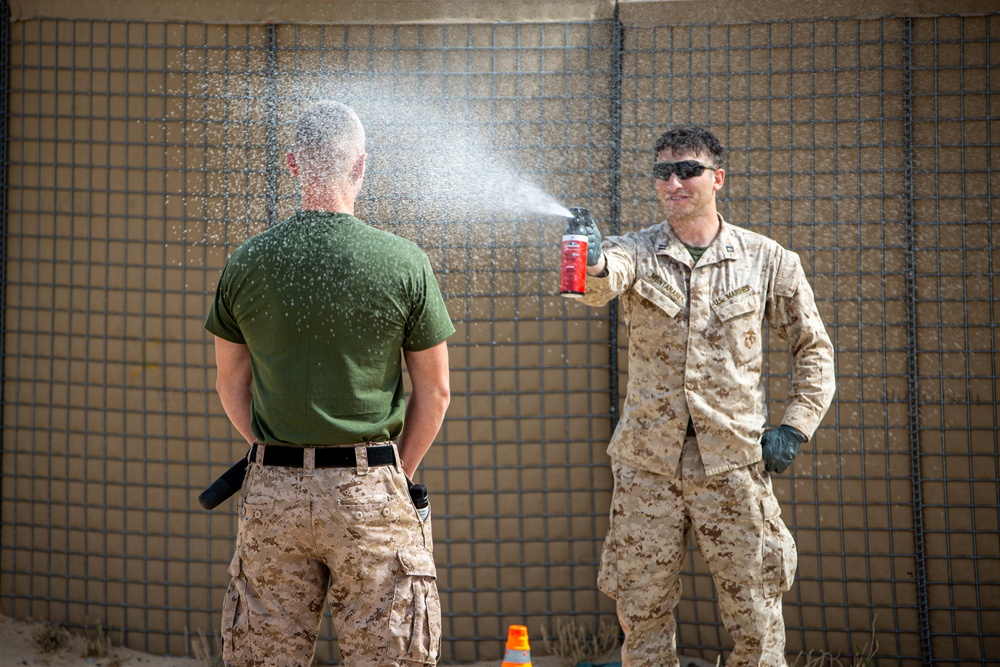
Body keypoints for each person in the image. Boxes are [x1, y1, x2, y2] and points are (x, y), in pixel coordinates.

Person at [204, 100, 454, 667]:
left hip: (272, 491)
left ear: (293, 164)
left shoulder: (247, 262)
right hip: (371, 490)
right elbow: (434, 393)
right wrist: (394, 472)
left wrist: (270, 451)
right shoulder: (404, 262)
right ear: (360, 166)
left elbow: (229, 384)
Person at [577, 126, 835, 666]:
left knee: (756, 613)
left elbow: (814, 350)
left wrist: (795, 426)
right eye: (662, 173)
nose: (673, 182)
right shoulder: (636, 251)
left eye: (687, 170)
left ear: (717, 178)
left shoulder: (768, 260)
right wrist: (592, 259)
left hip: (734, 464)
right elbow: (601, 283)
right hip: (648, 466)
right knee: (641, 613)